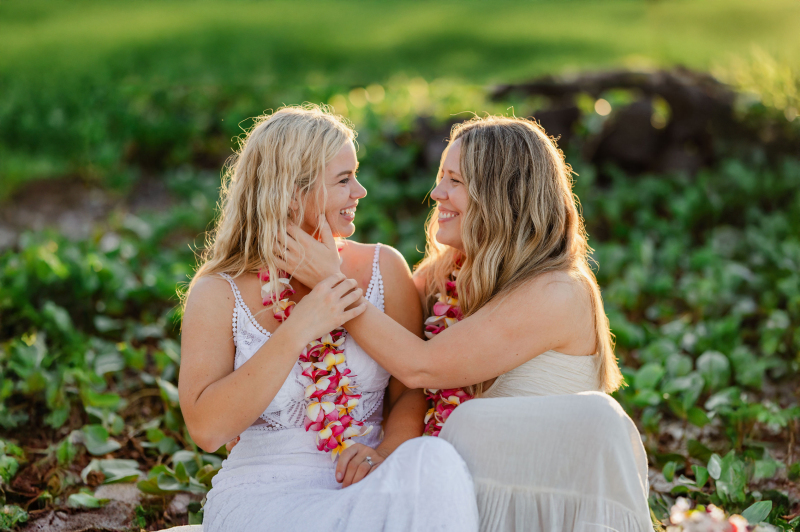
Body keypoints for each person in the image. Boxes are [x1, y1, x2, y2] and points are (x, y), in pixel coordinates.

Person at [277, 115, 653, 531]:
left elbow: (421, 365)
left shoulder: (557, 291)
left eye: (454, 181)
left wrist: (333, 284)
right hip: (468, 483)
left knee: (483, 420)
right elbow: (393, 375)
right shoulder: (442, 277)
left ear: (501, 194)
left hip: (542, 490)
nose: (436, 193)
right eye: (441, 177)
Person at [177, 105, 479, 532]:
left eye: (355, 174)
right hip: (265, 498)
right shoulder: (218, 291)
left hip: (371, 483)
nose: (361, 191)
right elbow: (207, 430)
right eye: (343, 180)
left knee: (435, 462)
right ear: (290, 191)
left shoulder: (383, 268)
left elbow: (411, 389)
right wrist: (301, 326)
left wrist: (388, 451)